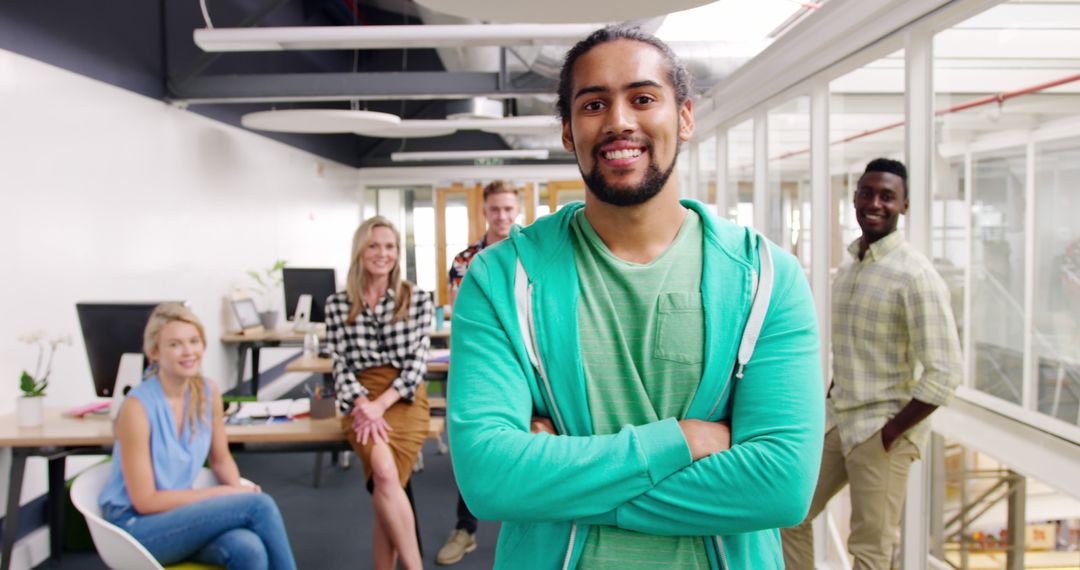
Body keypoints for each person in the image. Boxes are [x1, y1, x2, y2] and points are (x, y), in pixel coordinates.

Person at [447, 25, 823, 570]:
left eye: (643, 98)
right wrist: (680, 442)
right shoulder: (501, 279)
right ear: (569, 133)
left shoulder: (766, 278)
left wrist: (561, 477)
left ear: (685, 117)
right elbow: (490, 478)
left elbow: (780, 487)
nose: (619, 121)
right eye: (594, 103)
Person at [781, 158, 963, 569]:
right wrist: (831, 394)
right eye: (867, 193)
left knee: (870, 552)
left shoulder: (916, 276)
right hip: (839, 419)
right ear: (855, 198)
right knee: (788, 510)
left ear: (905, 205)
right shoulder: (850, 266)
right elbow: (847, 349)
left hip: (882, 429)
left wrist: (891, 432)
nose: (875, 203)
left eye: (887, 196)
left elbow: (945, 372)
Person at [99, 303, 297, 570]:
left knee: (248, 548)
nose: (189, 351)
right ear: (155, 352)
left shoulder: (207, 392)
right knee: (259, 506)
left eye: (194, 341)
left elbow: (221, 458)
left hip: (179, 517)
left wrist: (236, 489)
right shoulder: (136, 408)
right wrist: (224, 494)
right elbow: (145, 501)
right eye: (175, 344)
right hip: (135, 528)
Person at [324, 215, 433, 570]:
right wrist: (362, 403)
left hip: (404, 397)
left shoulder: (415, 298)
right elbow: (338, 363)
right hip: (359, 398)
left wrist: (381, 404)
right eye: (373, 245)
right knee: (386, 476)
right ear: (360, 250)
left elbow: (418, 363)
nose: (382, 253)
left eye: (389, 246)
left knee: (384, 488)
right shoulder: (338, 304)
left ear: (398, 253)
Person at [436, 180, 522, 566]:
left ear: (517, 209)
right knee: (473, 448)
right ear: (484, 211)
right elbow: (463, 322)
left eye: (508, 208)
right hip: (481, 368)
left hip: (525, 367)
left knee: (528, 448)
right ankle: (465, 529)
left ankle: (527, 530)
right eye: (495, 209)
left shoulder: (531, 254)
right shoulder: (465, 261)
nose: (502, 216)